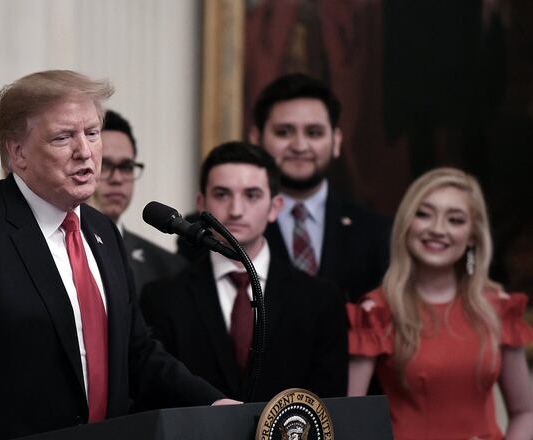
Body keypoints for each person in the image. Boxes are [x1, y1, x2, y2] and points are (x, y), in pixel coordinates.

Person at [0, 70, 232, 440]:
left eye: (92, 133)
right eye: (63, 137)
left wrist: (214, 405)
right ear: (18, 153)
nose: (85, 151)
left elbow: (136, 353)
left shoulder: (102, 231)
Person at [141, 141, 347, 404]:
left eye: (251, 195)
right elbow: (156, 396)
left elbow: (329, 406)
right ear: (201, 203)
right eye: (222, 194)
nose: (236, 210)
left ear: (275, 207)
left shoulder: (320, 300)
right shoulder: (163, 298)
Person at [347, 167, 533, 440]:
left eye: (455, 220)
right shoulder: (376, 312)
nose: (437, 229)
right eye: (424, 214)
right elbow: (351, 420)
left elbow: (524, 413)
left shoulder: (499, 309)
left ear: (472, 235)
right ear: (407, 223)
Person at [248, 73, 390, 303]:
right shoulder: (224, 229)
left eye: (313, 133)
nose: (300, 146)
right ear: (256, 139)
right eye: (284, 132)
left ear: (336, 142)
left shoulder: (377, 232)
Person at [91, 110, 185, 295]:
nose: (117, 178)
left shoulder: (169, 268)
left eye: (126, 167)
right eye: (105, 165)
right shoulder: (53, 249)